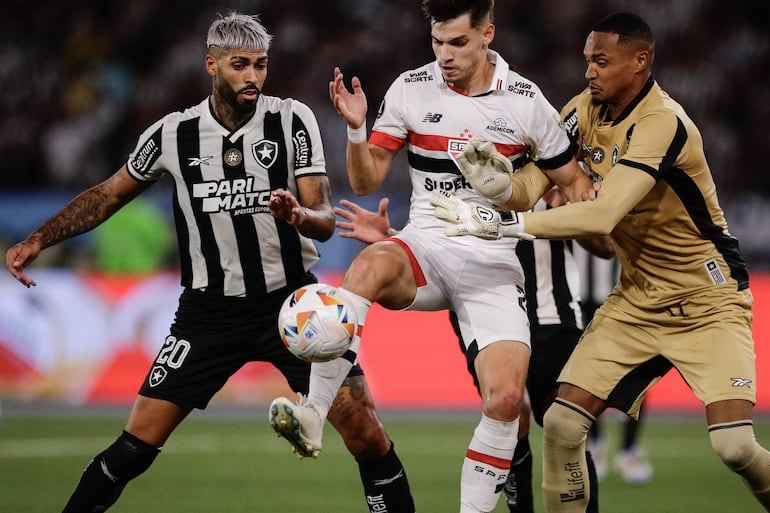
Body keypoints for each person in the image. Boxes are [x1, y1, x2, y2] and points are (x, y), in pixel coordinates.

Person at [5, 12, 415, 513]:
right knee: (135, 447)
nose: (252, 77)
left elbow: (326, 218)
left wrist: (299, 215)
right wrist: (41, 237)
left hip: (293, 309)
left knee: (367, 434)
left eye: (261, 66)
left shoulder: (291, 119)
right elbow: (108, 195)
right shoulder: (173, 134)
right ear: (211, 65)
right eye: (240, 65)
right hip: (207, 314)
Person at [269, 1, 594, 511]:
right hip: (426, 245)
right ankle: (312, 412)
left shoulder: (527, 102)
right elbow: (365, 178)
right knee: (369, 264)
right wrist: (357, 130)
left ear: (488, 34)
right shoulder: (411, 87)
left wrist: (549, 202)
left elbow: (576, 184)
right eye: (438, 42)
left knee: (507, 402)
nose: (445, 55)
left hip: (492, 264)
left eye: (458, 43)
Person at [442, 11, 770, 512]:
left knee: (734, 447)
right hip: (636, 299)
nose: (589, 71)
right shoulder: (583, 111)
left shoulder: (662, 123)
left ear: (641, 61)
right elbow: (541, 179)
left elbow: (603, 213)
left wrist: (512, 225)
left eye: (601, 61)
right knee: (562, 423)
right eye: (586, 61)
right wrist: (502, 189)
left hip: (709, 300)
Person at [334, 190, 612, 513]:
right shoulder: (453, 153)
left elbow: (605, 245)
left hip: (550, 312)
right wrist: (396, 238)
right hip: (482, 306)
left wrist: (573, 203)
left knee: (564, 423)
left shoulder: (551, 150)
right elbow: (439, 247)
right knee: (512, 416)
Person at [578, 247, 653, 485]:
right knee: (587, 375)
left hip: (627, 297)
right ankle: (596, 444)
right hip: (580, 298)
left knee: (637, 372)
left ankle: (629, 449)